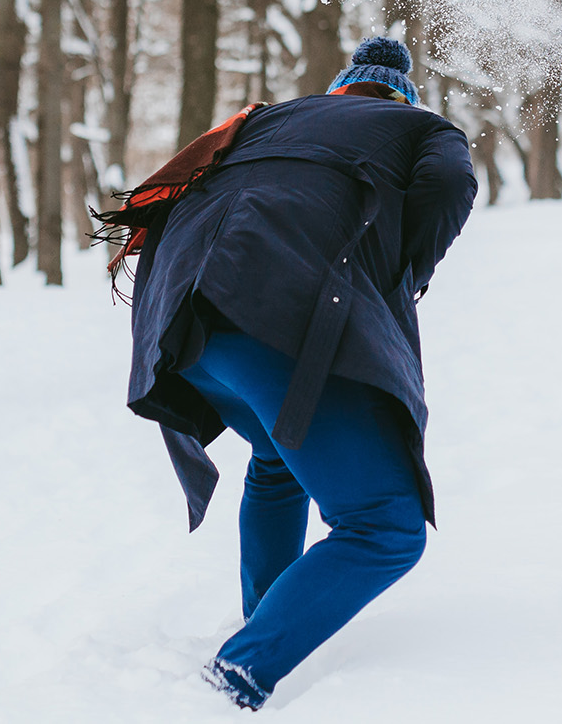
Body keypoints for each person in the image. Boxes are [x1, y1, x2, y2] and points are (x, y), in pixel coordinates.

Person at [122, 37, 477, 710]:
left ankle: (268, 622)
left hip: (186, 322)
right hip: (276, 315)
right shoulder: (420, 127)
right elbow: (450, 184)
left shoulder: (268, 117)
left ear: (339, 89)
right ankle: (236, 676)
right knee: (385, 525)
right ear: (398, 98)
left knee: (278, 456)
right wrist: (408, 268)